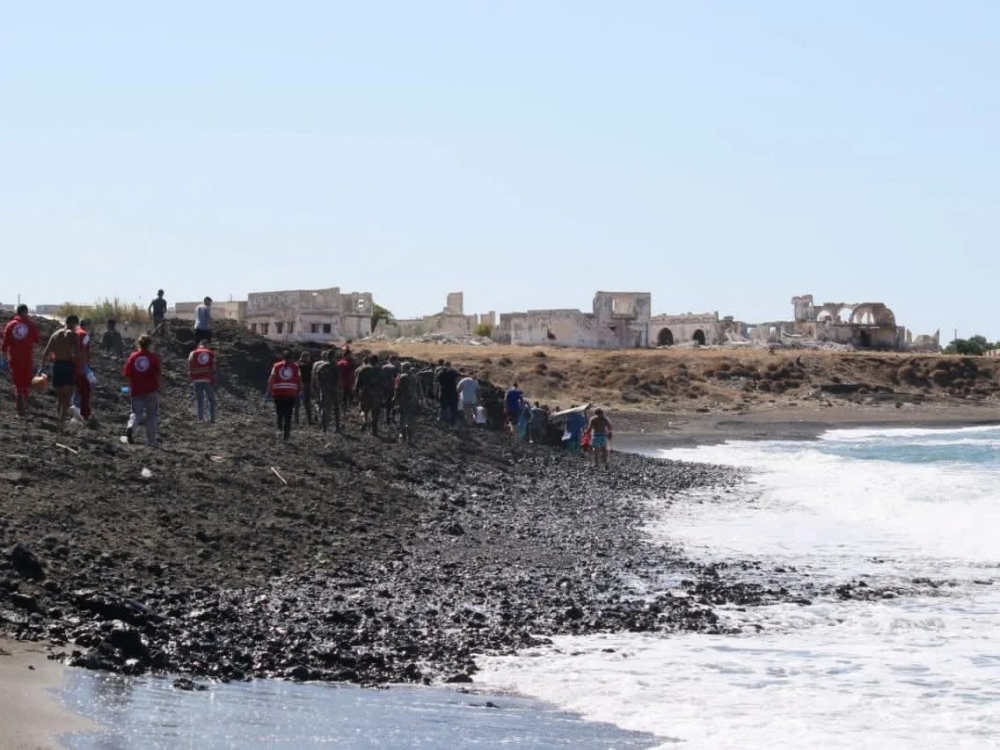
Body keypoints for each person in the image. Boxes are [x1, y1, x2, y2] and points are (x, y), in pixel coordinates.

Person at [39, 315, 82, 431]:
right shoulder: (73, 336)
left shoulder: (55, 335)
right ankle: (62, 423)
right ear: (74, 323)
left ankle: (60, 420)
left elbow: (45, 353)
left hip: (57, 366)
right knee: (67, 398)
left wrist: (42, 368)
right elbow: (74, 353)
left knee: (60, 398)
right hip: (68, 366)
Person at [1, 304, 41, 417]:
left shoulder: (10, 325)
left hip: (14, 359)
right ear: (26, 312)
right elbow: (37, 340)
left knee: (17, 385)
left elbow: (4, 345)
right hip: (27, 359)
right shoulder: (30, 324)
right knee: (27, 384)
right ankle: (26, 406)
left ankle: (20, 410)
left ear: (17, 312)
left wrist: (4, 359)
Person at [123, 335, 162, 446]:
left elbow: (127, 374)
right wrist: (160, 387)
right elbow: (158, 374)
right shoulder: (153, 358)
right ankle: (151, 441)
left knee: (136, 413)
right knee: (151, 416)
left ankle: (131, 426)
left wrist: (130, 386)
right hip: (151, 390)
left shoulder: (133, 357)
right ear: (150, 345)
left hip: (136, 389)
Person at [268, 350, 301, 441]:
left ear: (282, 357)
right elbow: (299, 379)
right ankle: (286, 435)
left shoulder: (276, 366)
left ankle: (279, 430)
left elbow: (271, 378)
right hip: (291, 393)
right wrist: (299, 391)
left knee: (279, 413)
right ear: (291, 357)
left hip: (278, 392)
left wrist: (270, 390)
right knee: (288, 414)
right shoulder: (295, 366)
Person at [311, 349, 342, 433]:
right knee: (336, 408)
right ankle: (337, 427)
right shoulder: (335, 366)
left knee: (325, 408)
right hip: (334, 390)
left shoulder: (321, 367)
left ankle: (324, 428)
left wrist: (319, 388)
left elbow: (318, 379)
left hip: (324, 390)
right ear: (333, 357)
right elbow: (338, 380)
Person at [354, 355, 384, 436]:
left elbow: (357, 383)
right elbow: (384, 384)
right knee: (375, 413)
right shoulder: (380, 370)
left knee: (363, 409)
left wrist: (356, 393)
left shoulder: (363, 369)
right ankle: (374, 431)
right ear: (377, 361)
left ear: (370, 361)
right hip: (377, 394)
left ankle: (364, 421)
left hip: (365, 393)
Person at [188, 341, 217, 423]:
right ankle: (212, 419)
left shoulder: (192, 353)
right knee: (211, 399)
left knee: (199, 399)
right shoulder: (210, 353)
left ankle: (200, 419)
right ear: (206, 345)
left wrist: (191, 376)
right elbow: (214, 366)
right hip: (207, 378)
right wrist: (212, 374)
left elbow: (190, 365)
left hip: (197, 379)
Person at [73, 318, 96, 425]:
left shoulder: (75, 332)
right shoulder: (85, 335)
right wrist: (84, 366)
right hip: (82, 365)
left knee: (77, 388)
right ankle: (81, 412)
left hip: (73, 365)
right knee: (88, 386)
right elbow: (83, 350)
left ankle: (76, 409)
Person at [395, 362, 420, 444]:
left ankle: (402, 435)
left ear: (404, 368)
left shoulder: (401, 377)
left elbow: (397, 389)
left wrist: (394, 399)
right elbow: (418, 389)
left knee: (402, 418)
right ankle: (410, 438)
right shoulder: (415, 377)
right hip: (413, 400)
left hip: (403, 400)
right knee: (410, 419)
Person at [436, 361, 459, 425]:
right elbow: (457, 378)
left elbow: (438, 383)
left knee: (443, 407)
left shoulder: (440, 373)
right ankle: (452, 423)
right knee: (453, 409)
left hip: (443, 393)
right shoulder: (453, 373)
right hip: (452, 393)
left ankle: (442, 421)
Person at [295, 350, 314, 425]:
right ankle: (309, 420)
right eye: (308, 357)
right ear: (305, 357)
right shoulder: (308, 365)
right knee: (307, 404)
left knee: (297, 404)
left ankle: (296, 420)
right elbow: (312, 376)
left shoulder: (296, 364)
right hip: (306, 385)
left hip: (297, 385)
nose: (309, 359)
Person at [381, 356, 400, 426]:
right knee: (391, 403)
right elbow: (397, 379)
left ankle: (385, 417)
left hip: (383, 387)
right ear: (394, 360)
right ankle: (389, 418)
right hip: (391, 388)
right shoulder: (394, 368)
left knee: (385, 402)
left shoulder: (383, 367)